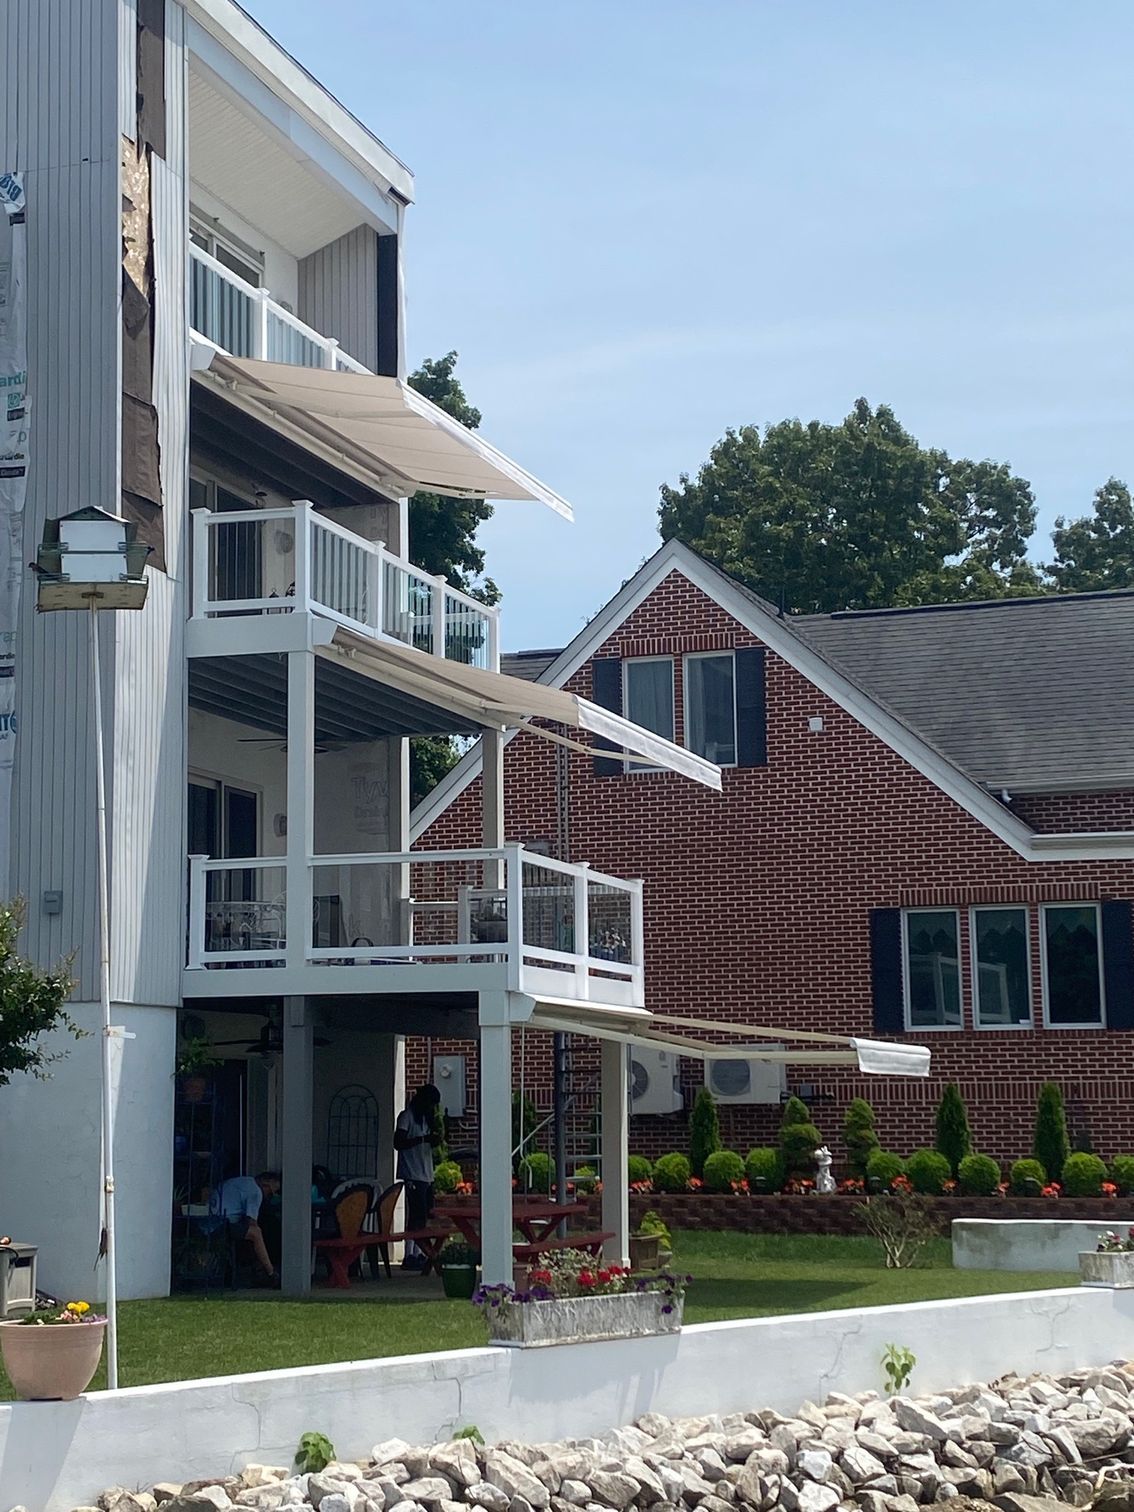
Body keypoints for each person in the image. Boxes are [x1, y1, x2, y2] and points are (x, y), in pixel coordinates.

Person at [394, 1085, 442, 1269]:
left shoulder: (425, 1119)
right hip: (413, 1174)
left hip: (426, 1173)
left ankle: (421, 1253)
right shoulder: (406, 1117)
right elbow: (398, 1142)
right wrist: (422, 1139)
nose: (431, 1108)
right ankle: (409, 1255)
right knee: (415, 1216)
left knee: (426, 1215)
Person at [210, 1171, 281, 1286]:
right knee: (256, 1233)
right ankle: (271, 1273)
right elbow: (252, 1222)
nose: (270, 1196)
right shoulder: (255, 1192)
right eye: (272, 1192)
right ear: (265, 1183)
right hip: (221, 1224)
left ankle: (256, 1269)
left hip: (210, 1221)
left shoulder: (244, 1182)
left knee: (248, 1234)